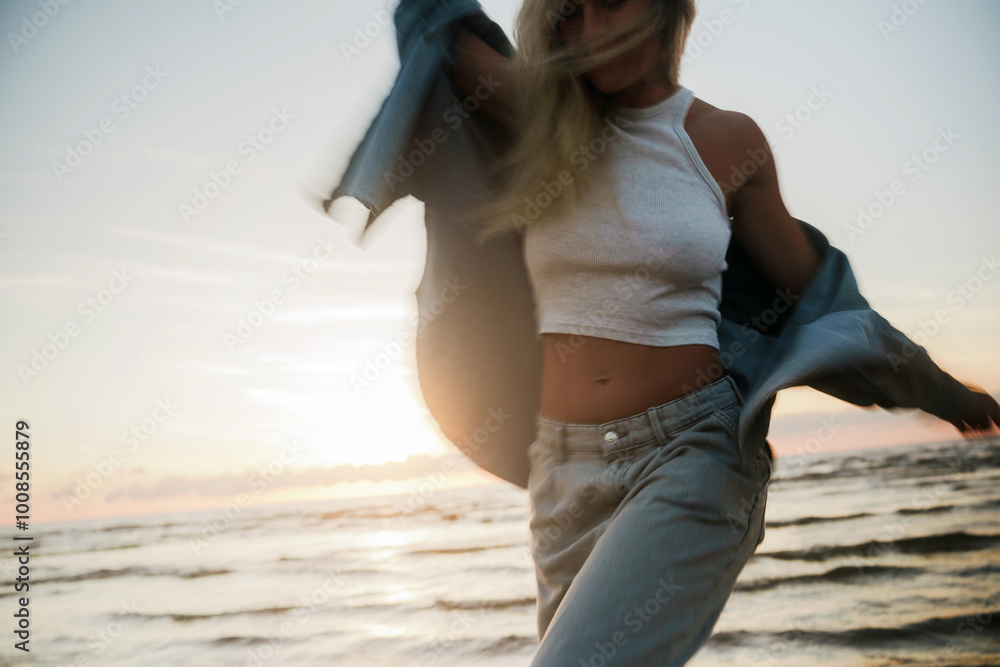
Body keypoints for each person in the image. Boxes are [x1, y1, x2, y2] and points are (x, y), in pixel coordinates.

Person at [444, 0, 1000, 664]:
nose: (590, 33)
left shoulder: (726, 140)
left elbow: (819, 300)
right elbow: (436, 31)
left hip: (692, 453)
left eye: (611, 4)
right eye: (570, 14)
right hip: (561, 474)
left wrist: (940, 390)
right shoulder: (540, 119)